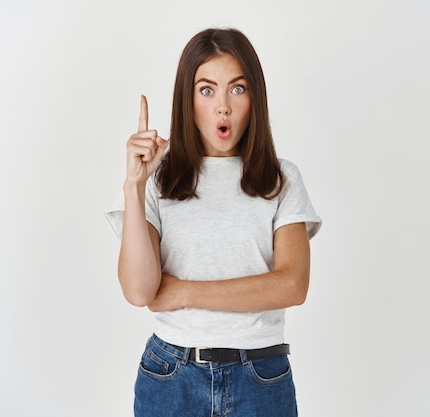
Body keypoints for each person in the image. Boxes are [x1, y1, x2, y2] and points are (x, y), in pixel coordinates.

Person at [105, 27, 321, 417]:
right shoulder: (159, 179)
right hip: (171, 376)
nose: (223, 106)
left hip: (260, 377)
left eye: (237, 89)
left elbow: (292, 284)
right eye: (207, 90)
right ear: (187, 100)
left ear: (255, 97)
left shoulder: (280, 178)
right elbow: (140, 291)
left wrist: (183, 292)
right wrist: (135, 187)